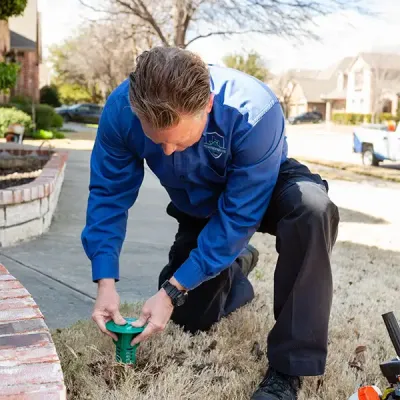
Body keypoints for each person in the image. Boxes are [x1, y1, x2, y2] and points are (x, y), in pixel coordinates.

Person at [81, 46, 340, 400]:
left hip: (260, 189)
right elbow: (109, 195)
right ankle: (236, 265)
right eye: (159, 141)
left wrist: (173, 289)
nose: (168, 152)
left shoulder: (255, 110)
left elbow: (238, 216)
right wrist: (105, 280)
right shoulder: (120, 110)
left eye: (178, 140)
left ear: (207, 104)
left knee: (313, 209)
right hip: (198, 204)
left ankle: (289, 369)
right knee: (190, 318)